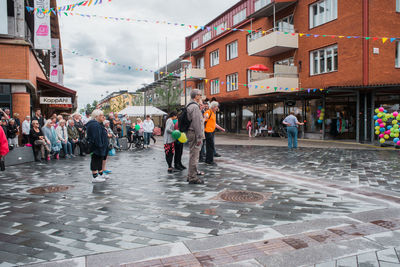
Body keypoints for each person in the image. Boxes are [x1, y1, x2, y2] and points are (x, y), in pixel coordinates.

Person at [187, 89, 205, 184]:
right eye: (200, 95)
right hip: (194, 133)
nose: (201, 97)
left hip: (191, 132)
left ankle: (190, 175)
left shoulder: (190, 105)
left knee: (192, 155)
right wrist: (199, 136)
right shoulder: (194, 107)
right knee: (194, 155)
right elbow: (197, 123)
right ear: (196, 96)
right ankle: (193, 177)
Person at [86, 109, 109, 183]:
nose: (103, 117)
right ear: (96, 116)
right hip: (96, 146)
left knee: (99, 160)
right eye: (101, 115)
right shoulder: (94, 125)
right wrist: (100, 145)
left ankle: (99, 174)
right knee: (95, 160)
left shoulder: (98, 124)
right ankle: (95, 176)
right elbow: (96, 137)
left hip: (100, 146)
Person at [204, 101, 225, 166]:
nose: (217, 108)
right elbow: (203, 120)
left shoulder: (213, 113)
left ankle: (208, 160)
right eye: (216, 107)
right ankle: (210, 160)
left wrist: (221, 129)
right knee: (211, 146)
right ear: (213, 106)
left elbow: (214, 124)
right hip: (208, 131)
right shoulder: (208, 112)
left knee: (209, 146)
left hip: (212, 131)